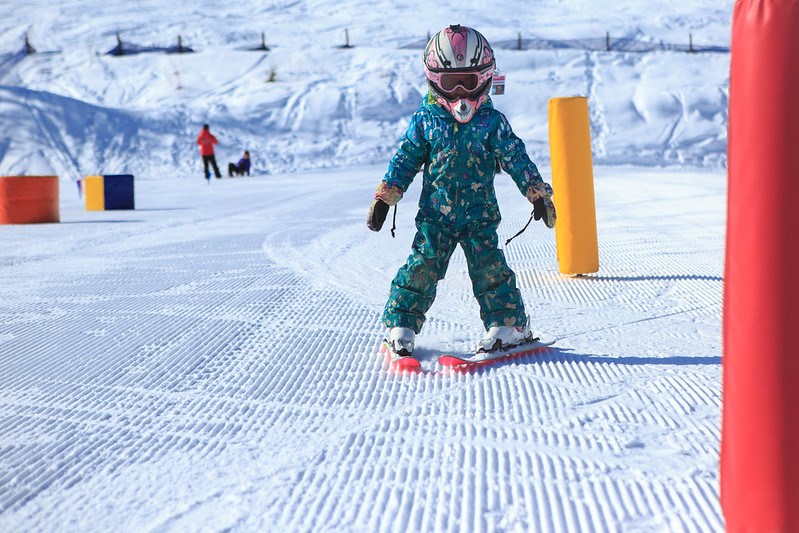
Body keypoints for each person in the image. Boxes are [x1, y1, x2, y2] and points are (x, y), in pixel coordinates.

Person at [367, 25, 556, 359]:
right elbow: (406, 158)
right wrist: (387, 195)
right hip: (435, 217)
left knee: (490, 268)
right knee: (422, 267)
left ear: (484, 79)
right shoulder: (426, 120)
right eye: (450, 84)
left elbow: (515, 156)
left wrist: (535, 191)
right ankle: (402, 324)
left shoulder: (491, 122)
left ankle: (509, 324)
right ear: (434, 82)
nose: (460, 96)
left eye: (467, 83)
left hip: (479, 215)